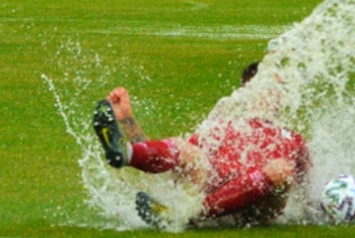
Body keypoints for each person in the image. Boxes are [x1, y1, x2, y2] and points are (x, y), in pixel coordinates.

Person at [93, 63, 311, 228]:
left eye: (278, 88)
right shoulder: (222, 125)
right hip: (208, 189)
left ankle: (188, 215)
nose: (276, 94)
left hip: (255, 209)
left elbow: (305, 194)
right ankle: (125, 153)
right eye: (270, 87)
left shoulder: (293, 139)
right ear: (247, 91)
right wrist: (128, 121)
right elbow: (170, 163)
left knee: (281, 169)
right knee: (186, 149)